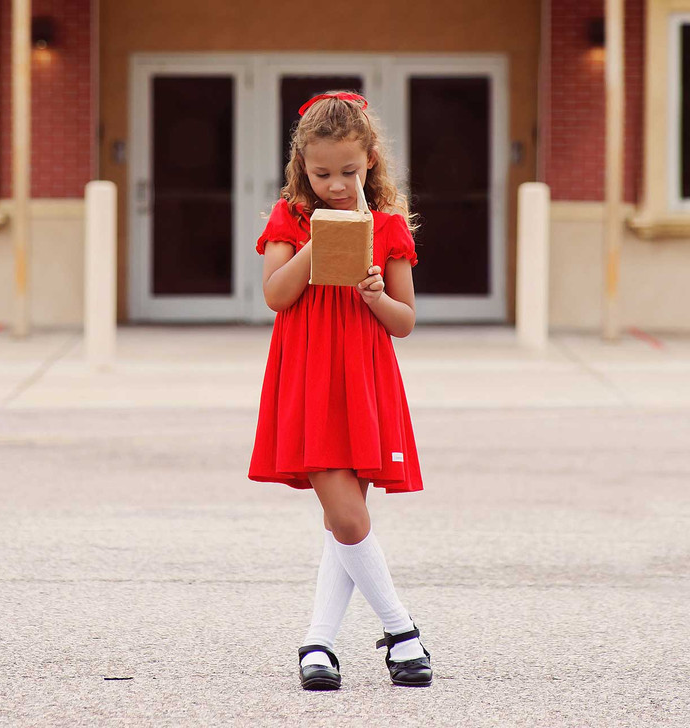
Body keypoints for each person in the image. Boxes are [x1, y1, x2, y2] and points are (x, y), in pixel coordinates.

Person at [248, 91, 431, 690]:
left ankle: (317, 646)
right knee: (349, 518)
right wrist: (316, 245)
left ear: (371, 160)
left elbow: (403, 320)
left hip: (364, 380)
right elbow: (276, 295)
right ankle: (402, 632)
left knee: (343, 520)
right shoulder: (289, 220)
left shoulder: (386, 226)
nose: (334, 183)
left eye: (348, 171)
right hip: (308, 380)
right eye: (321, 172)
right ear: (302, 165)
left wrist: (375, 292)